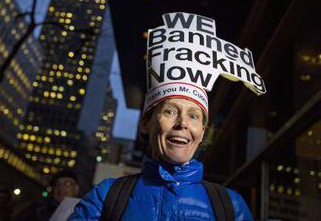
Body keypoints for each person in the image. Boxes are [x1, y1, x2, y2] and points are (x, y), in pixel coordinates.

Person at [69, 12, 260, 220]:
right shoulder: (106, 196)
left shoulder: (231, 206)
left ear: (202, 132)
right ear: (145, 124)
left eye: (194, 116)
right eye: (170, 111)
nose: (182, 124)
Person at [14, 169, 80, 221]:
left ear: (76, 188)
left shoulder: (84, 212)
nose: (61, 188)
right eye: (57, 184)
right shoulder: (38, 212)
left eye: (67, 184)